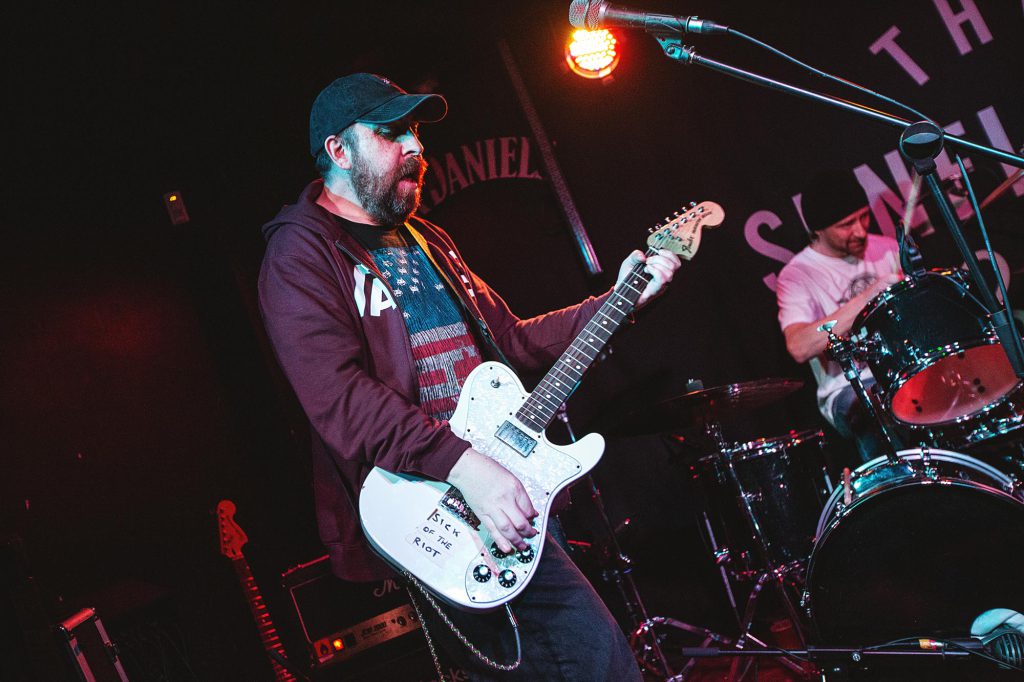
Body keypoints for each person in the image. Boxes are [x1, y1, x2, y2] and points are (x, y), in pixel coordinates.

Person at [258, 73, 680, 681]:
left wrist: (619, 302)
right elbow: (341, 400)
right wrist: (464, 466)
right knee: (599, 661)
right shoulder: (300, 256)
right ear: (338, 151)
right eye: (392, 132)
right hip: (439, 508)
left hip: (506, 485)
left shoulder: (427, 239)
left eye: (415, 131)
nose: (416, 146)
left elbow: (511, 341)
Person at [776, 169, 904, 462]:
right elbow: (799, 346)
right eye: (846, 225)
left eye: (864, 216)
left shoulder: (887, 248)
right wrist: (870, 296)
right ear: (817, 230)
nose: (860, 231)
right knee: (875, 407)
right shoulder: (797, 275)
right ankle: (897, 484)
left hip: (901, 370)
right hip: (849, 386)